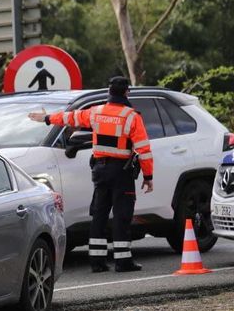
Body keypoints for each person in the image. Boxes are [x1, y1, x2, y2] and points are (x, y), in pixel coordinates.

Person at [29, 76, 153, 273]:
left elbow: (70, 117)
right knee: (122, 215)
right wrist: (148, 177)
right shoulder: (132, 117)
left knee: (99, 214)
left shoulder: (96, 112)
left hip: (100, 171)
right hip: (122, 172)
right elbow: (144, 150)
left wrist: (46, 118)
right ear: (127, 92)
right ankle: (123, 261)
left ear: (108, 93)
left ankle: (97, 261)